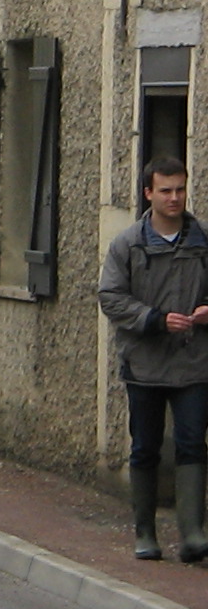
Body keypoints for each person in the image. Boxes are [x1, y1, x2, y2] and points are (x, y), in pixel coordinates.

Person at [99, 155, 208, 561]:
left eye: (180, 189)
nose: (175, 197)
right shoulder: (127, 244)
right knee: (145, 446)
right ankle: (144, 532)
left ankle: (193, 532)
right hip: (144, 364)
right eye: (166, 190)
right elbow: (110, 297)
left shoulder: (203, 242)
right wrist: (155, 320)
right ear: (149, 193)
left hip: (194, 362)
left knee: (192, 443)